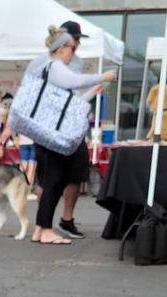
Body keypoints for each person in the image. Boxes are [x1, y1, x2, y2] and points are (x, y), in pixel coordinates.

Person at [27, 24, 114, 245]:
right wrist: (100, 76)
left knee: (53, 180)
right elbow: (74, 84)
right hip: (55, 132)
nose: (74, 51)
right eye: (72, 47)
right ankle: (45, 228)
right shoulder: (55, 67)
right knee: (54, 180)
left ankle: (40, 228)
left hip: (51, 130)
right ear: (62, 47)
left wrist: (91, 93)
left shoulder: (49, 67)